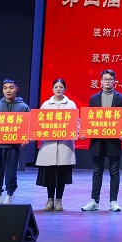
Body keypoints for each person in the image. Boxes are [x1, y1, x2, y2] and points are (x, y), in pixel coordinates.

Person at [82, 69, 122, 212]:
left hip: (113, 141)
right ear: (100, 81)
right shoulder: (94, 98)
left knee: (114, 171)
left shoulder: (121, 98)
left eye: (110, 79)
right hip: (97, 141)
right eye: (105, 79)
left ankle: (113, 202)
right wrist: (85, 131)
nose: (107, 81)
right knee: (97, 171)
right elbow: (89, 118)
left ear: (114, 81)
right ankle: (94, 201)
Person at [36, 78, 77, 212]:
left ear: (65, 89)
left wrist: (75, 133)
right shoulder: (46, 105)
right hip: (49, 145)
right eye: (56, 87)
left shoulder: (70, 104)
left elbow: (76, 122)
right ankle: (49, 200)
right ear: (52, 89)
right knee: (50, 175)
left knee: (61, 175)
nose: (58, 89)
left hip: (64, 146)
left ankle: (59, 200)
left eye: (61, 87)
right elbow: (40, 122)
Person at [0, 79, 31, 204]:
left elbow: (28, 126)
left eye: (11, 87)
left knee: (11, 172)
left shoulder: (23, 107)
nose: (8, 90)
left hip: (13, 146)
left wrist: (26, 138)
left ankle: (10, 194)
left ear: (16, 89)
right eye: (5, 88)